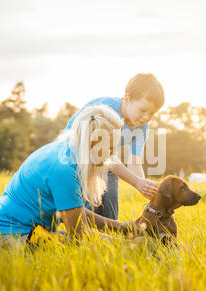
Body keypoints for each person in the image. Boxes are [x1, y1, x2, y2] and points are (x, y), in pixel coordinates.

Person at [0, 105, 136, 246]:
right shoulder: (65, 169)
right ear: (91, 143)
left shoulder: (67, 150)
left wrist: (124, 228)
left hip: (28, 232)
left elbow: (74, 209)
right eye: (109, 148)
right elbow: (80, 236)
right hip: (12, 237)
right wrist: (129, 245)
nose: (113, 153)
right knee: (79, 246)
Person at [66, 73, 165, 220]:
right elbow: (105, 156)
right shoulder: (108, 111)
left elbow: (134, 163)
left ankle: (108, 236)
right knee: (88, 204)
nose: (146, 117)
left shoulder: (142, 127)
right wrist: (137, 182)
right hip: (78, 156)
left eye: (151, 113)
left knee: (110, 202)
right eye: (143, 110)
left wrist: (145, 187)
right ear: (127, 99)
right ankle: (82, 236)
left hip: (106, 161)